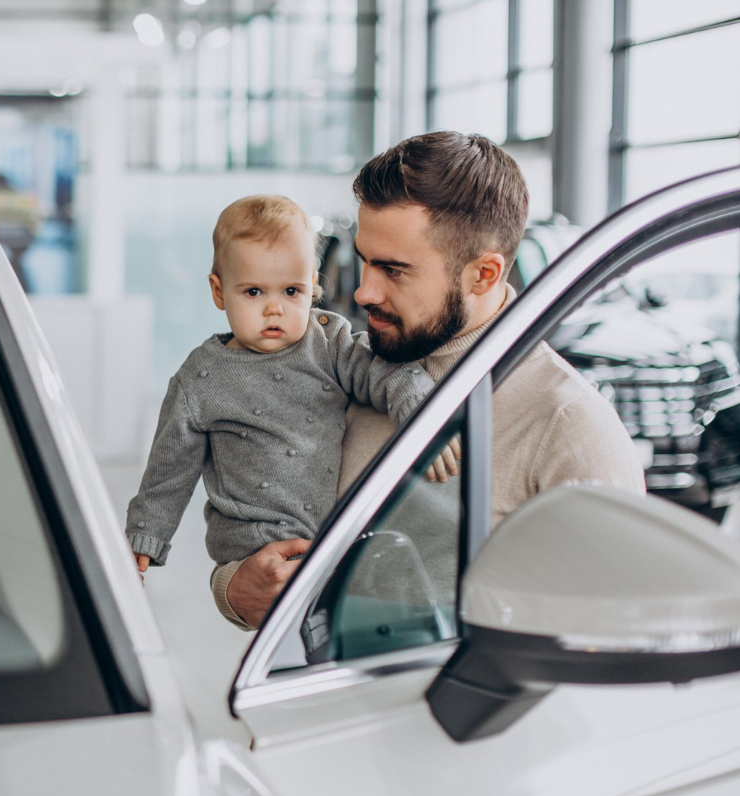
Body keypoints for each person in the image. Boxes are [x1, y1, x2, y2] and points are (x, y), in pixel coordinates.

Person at [214, 131, 645, 628]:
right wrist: (233, 587)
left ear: (483, 274)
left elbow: (616, 637)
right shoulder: (347, 365)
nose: (363, 293)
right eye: (364, 261)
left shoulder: (568, 424)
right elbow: (263, 539)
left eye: (394, 271)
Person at [125, 194, 446, 583]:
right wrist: (146, 536)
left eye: (291, 291)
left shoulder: (328, 342)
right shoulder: (200, 377)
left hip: (328, 534)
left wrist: (421, 407)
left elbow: (384, 371)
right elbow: (169, 468)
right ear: (218, 291)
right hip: (250, 540)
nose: (274, 308)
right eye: (254, 292)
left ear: (312, 286)